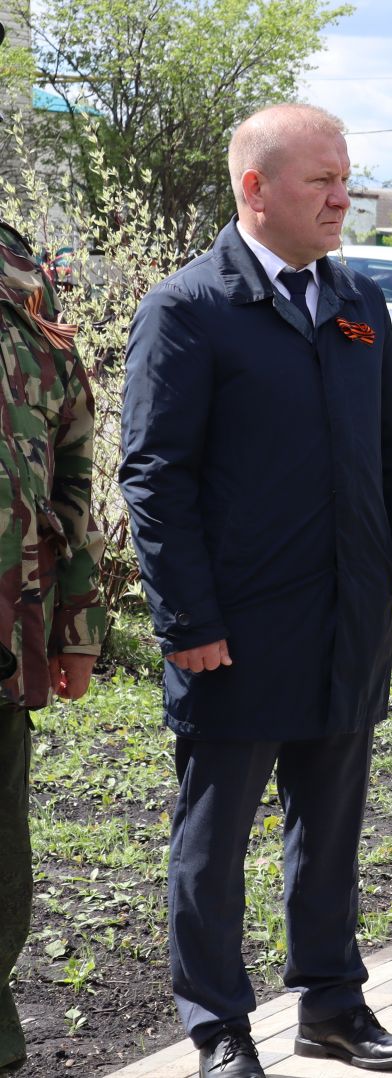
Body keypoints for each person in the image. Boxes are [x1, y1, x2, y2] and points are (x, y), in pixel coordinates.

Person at [119, 103, 392, 1078]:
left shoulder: (357, 300)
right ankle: (218, 1025)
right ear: (255, 189)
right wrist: (187, 621)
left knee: (333, 827)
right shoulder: (189, 308)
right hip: (234, 631)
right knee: (213, 840)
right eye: (322, 180)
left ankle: (332, 1008)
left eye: (346, 177)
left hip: (344, 615)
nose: (343, 196)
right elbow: (156, 476)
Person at [0, 220, 105, 1072]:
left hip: (7, 634)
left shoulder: (20, 278)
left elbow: (71, 467)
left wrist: (76, 630)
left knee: (2, 871)